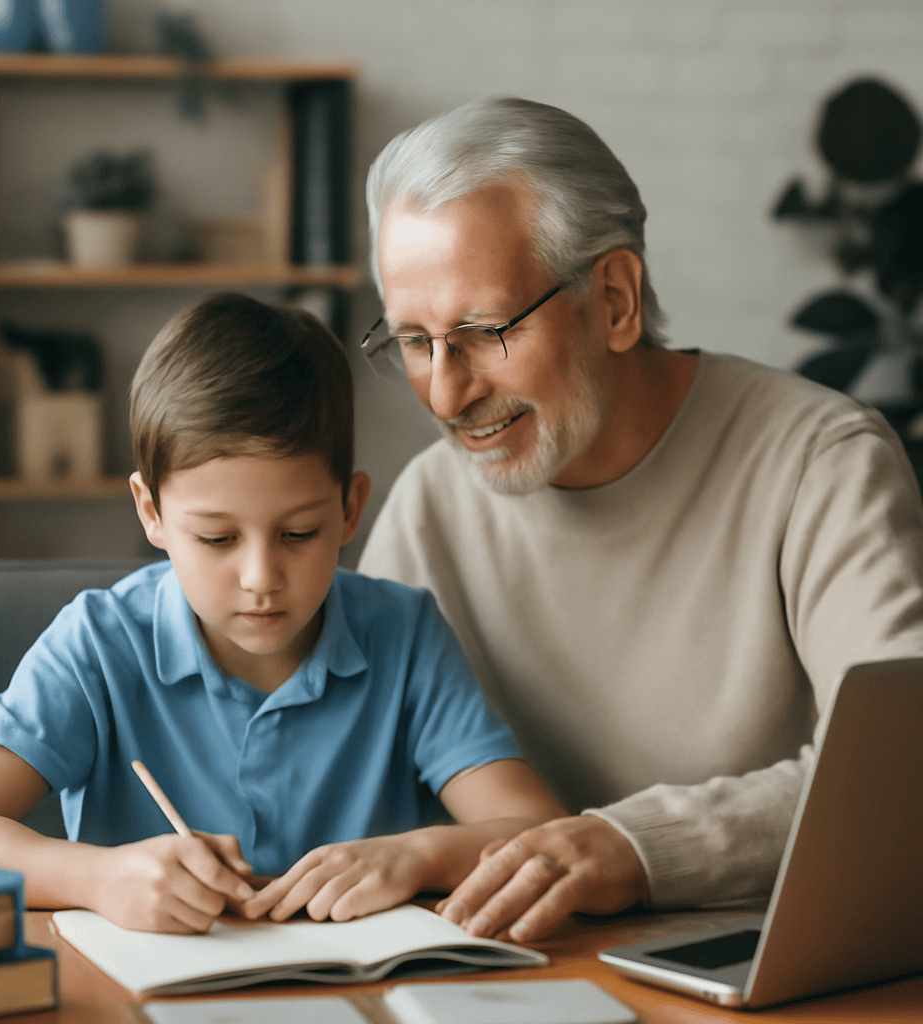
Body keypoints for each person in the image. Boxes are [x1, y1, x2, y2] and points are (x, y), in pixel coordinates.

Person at [357, 96, 923, 943]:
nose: (446, 393)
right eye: (413, 340)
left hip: (769, 972)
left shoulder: (821, 461)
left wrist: (635, 846)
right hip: (517, 976)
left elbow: (898, 771)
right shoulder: (430, 504)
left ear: (615, 299)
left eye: (482, 331)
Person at [0, 292, 565, 934]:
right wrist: (100, 879)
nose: (261, 580)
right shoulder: (97, 645)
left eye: (299, 534)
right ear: (151, 513)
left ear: (349, 508)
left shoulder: (404, 634)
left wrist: (417, 857)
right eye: (218, 539)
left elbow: (539, 834)